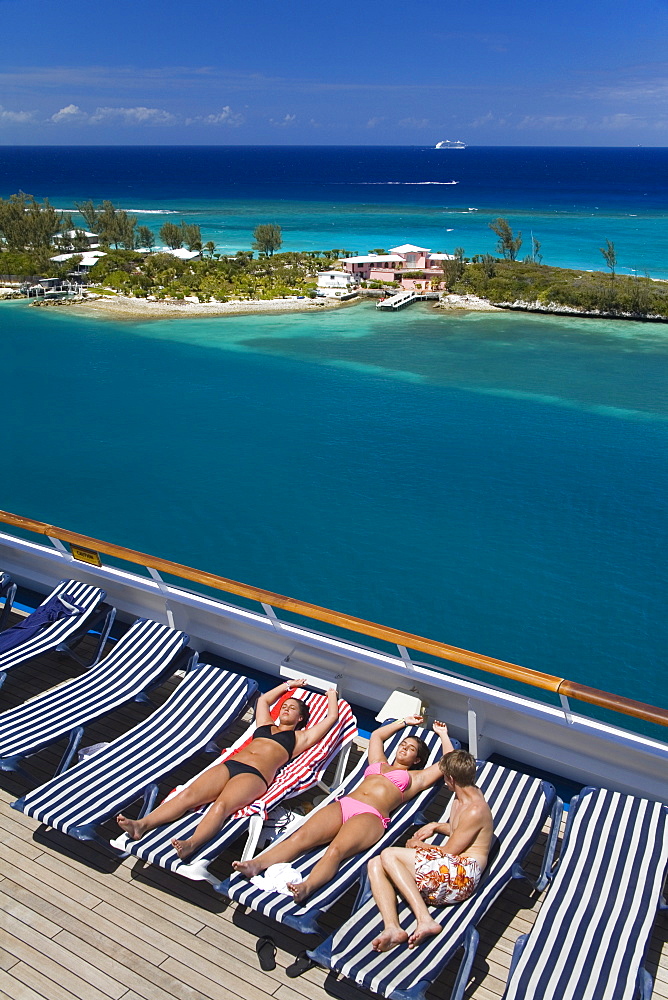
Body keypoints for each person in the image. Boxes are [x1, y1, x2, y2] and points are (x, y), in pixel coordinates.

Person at [232, 716, 453, 903]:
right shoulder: (378, 761)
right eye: (403, 744)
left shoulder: (416, 778)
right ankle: (255, 865)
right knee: (300, 837)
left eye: (411, 749)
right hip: (345, 804)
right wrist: (404, 722)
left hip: (371, 816)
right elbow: (377, 736)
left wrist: (443, 735)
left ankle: (307, 887)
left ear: (418, 760)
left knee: (335, 851)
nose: (404, 748)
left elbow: (448, 763)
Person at [116, 678, 339, 861]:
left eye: (292, 708)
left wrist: (331, 696)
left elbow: (332, 718)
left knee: (221, 806)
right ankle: (141, 825)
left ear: (300, 718)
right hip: (231, 765)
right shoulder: (265, 725)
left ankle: (191, 844)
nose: (286, 708)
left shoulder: (300, 737)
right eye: (285, 706)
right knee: (188, 795)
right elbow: (263, 701)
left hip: (255, 775)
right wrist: (289, 686)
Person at [369, 748, 493, 952]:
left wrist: (420, 846)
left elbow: (449, 851)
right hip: (448, 870)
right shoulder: (462, 796)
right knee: (374, 864)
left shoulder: (475, 809)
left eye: (445, 777)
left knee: (389, 854)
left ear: (451, 778)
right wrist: (436, 825)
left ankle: (425, 919)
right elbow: (459, 830)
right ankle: (392, 928)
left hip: (462, 877)